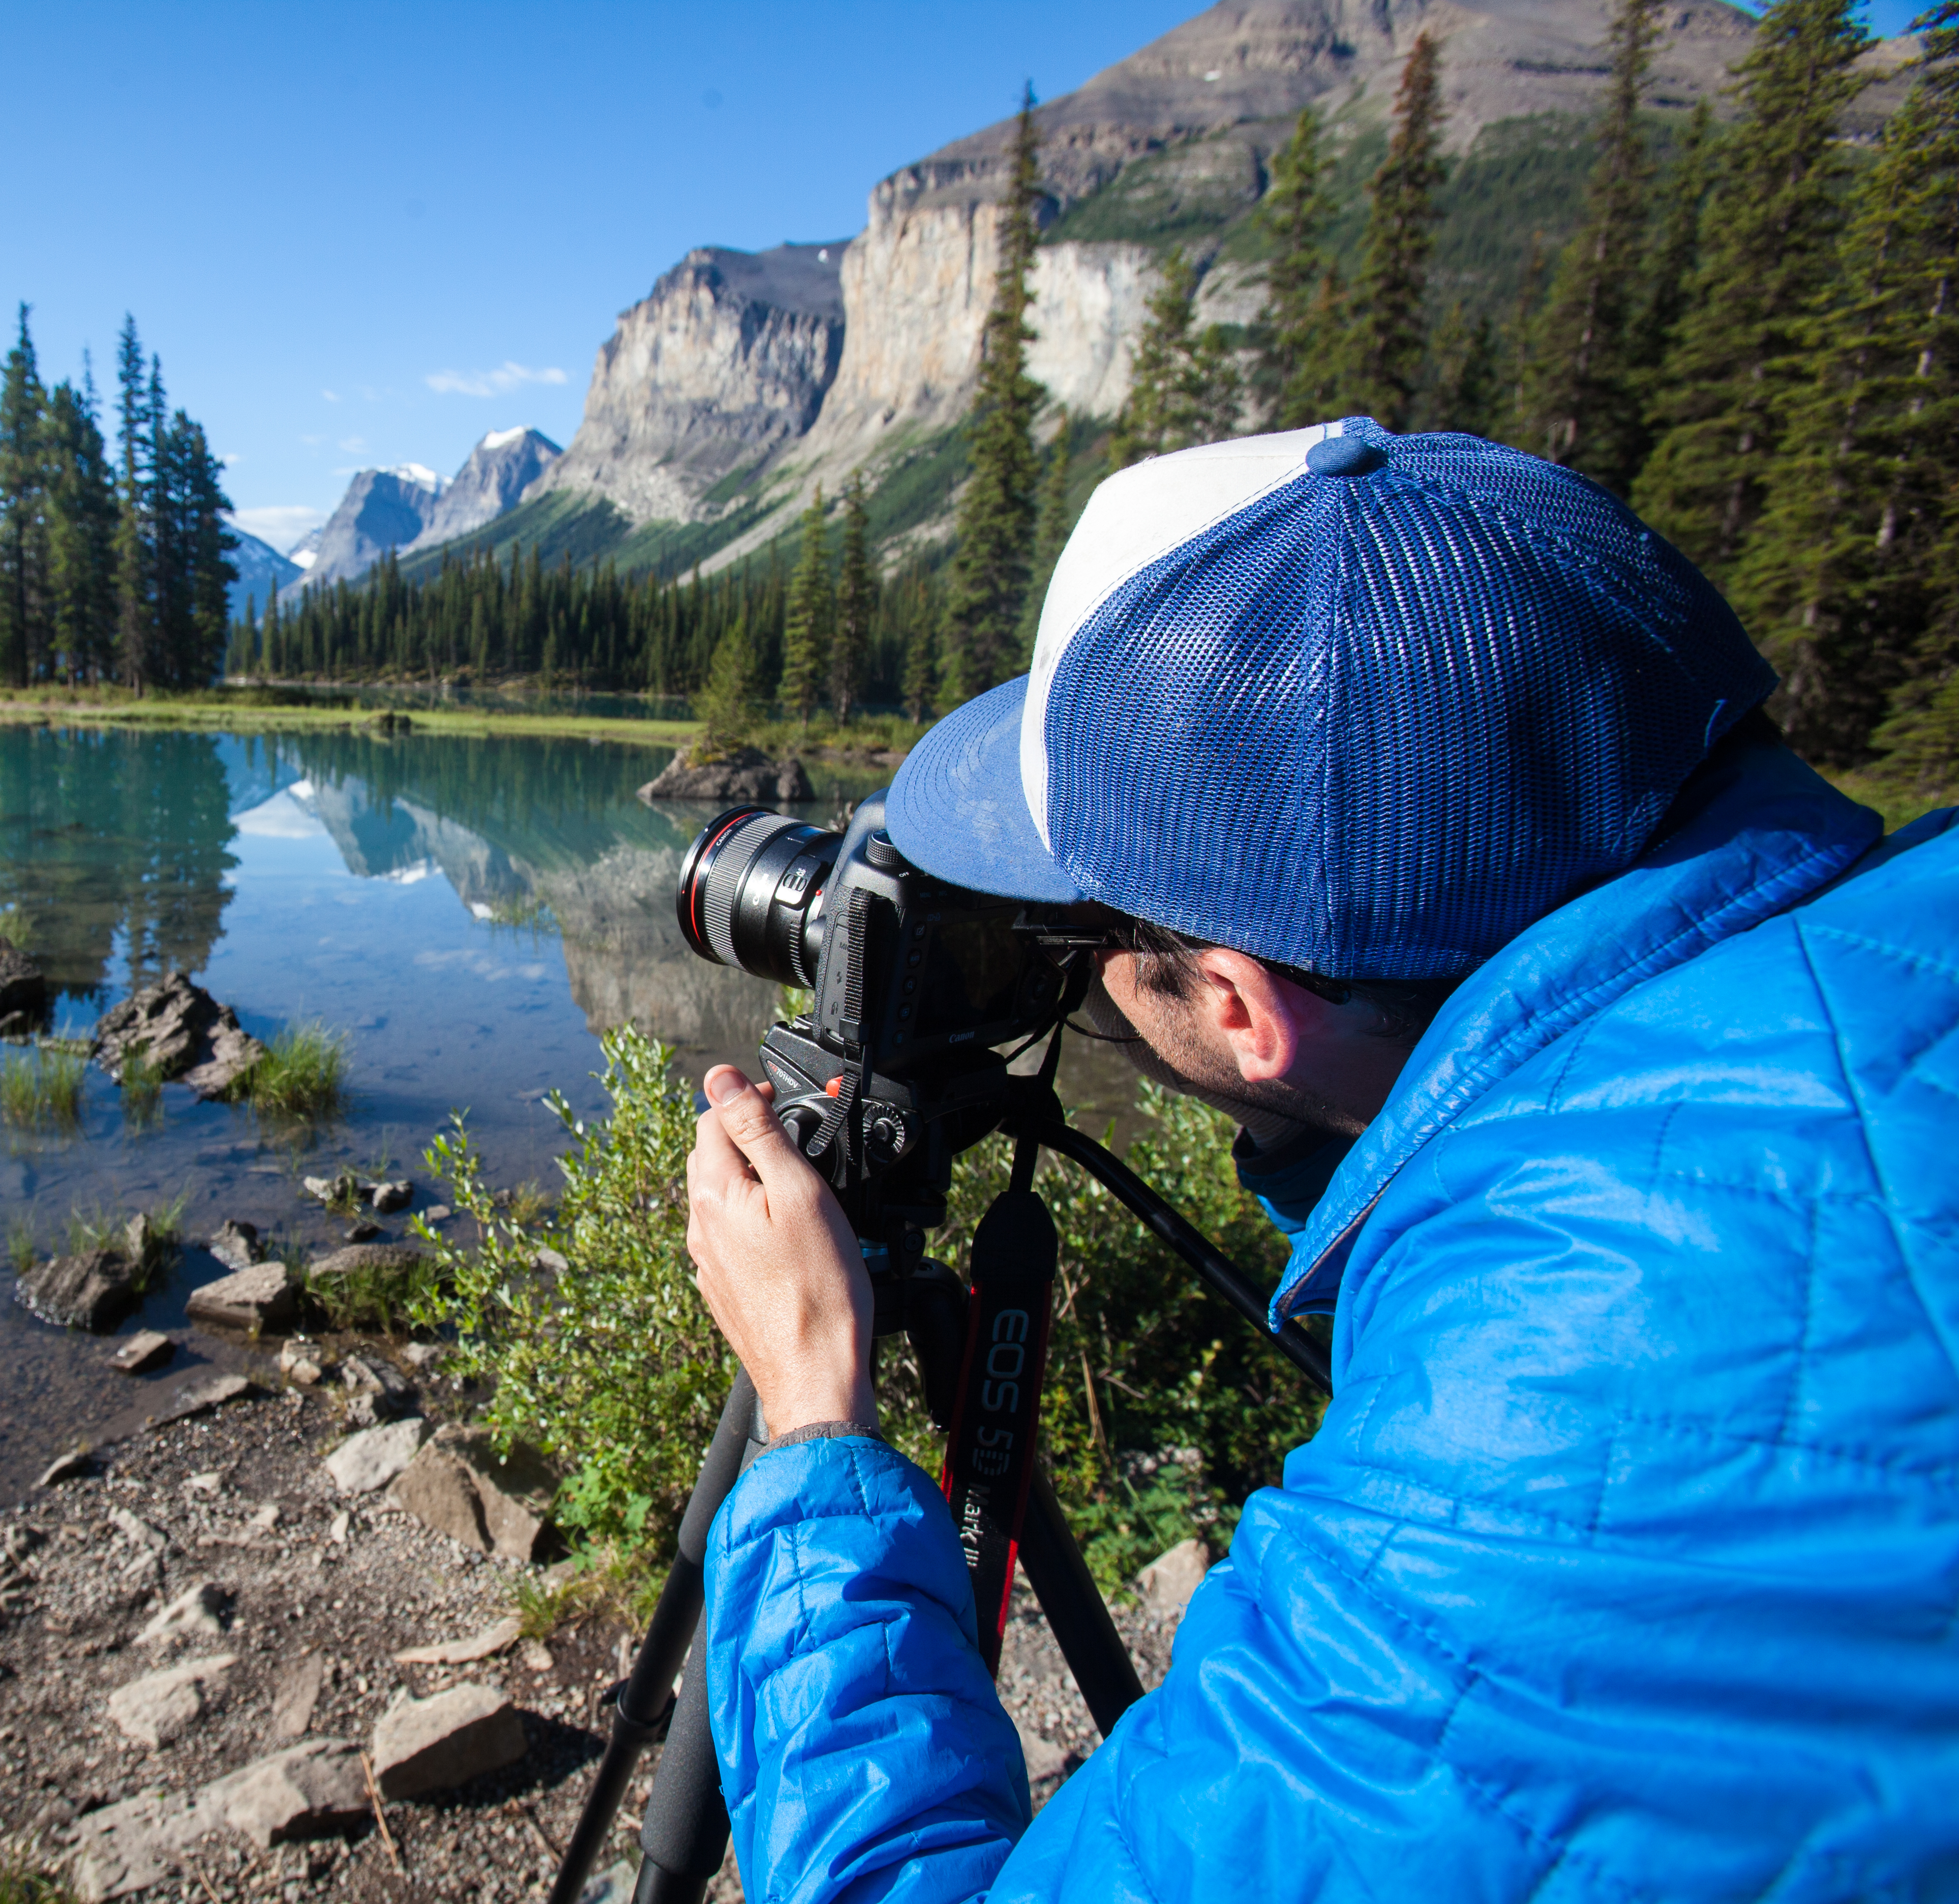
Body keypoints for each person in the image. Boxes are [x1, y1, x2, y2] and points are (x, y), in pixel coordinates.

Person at [680, 420, 1959, 1900]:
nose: (1063, 974)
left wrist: (817, 1419)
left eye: (1080, 936)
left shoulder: (1524, 1469)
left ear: (1240, 1006)